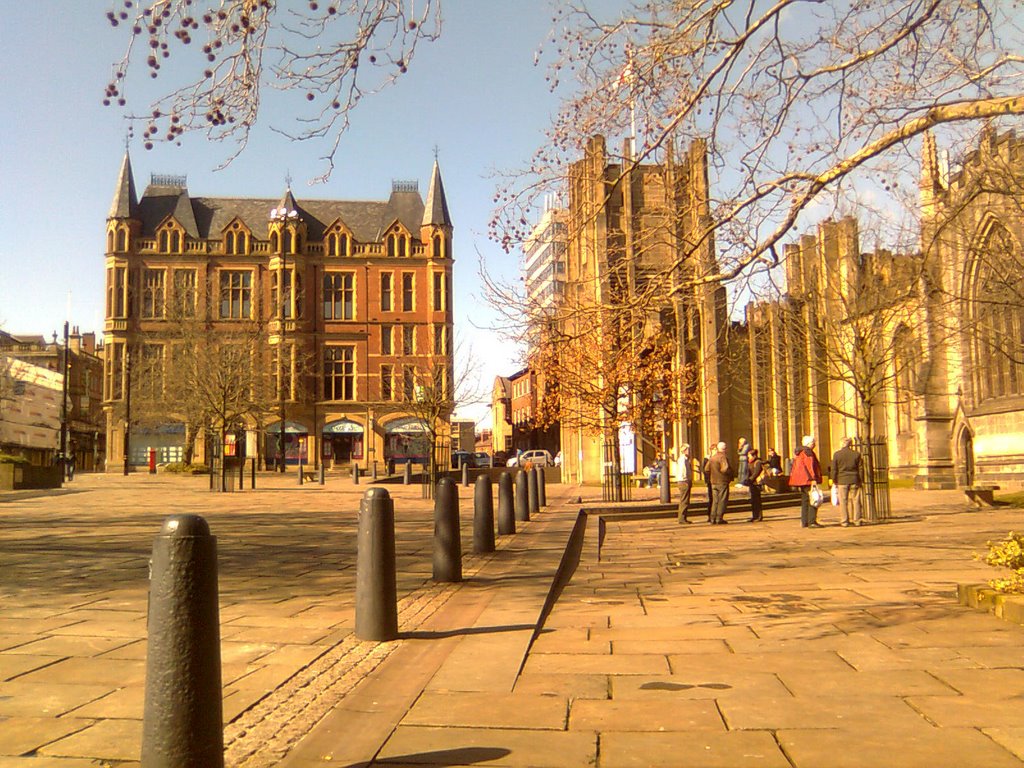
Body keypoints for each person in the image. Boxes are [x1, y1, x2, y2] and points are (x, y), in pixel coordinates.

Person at [789, 435, 823, 528]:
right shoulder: (808, 452)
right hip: (808, 480)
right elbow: (810, 466)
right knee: (813, 499)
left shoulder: (800, 452)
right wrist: (813, 479)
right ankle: (812, 521)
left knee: (805, 500)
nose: (814, 444)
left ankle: (804, 521)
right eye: (813, 442)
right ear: (809, 443)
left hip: (801, 480)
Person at [831, 437, 865, 526]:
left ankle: (844, 521)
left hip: (842, 480)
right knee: (856, 500)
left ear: (842, 443)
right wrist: (861, 480)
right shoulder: (856, 454)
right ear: (850, 444)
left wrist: (834, 479)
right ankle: (857, 520)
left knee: (843, 501)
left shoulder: (837, 455)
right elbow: (860, 469)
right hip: (854, 479)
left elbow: (834, 469)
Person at [708, 441, 735, 524]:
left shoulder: (712, 457)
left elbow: (706, 469)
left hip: (713, 481)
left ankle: (712, 518)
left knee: (715, 501)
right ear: (724, 449)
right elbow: (725, 468)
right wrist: (728, 474)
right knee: (722, 500)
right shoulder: (722, 457)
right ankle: (719, 518)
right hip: (722, 481)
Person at [676, 443, 693, 524]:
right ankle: (682, 518)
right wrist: (686, 480)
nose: (689, 451)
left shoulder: (686, 459)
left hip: (685, 481)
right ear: (684, 450)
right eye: (688, 449)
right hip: (684, 482)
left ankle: (683, 517)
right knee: (684, 500)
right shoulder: (682, 460)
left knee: (685, 500)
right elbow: (683, 471)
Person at [747, 448, 764, 522]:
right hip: (752, 483)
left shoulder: (758, 462)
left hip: (756, 483)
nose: (748, 457)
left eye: (749, 456)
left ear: (754, 456)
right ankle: (754, 516)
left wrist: (750, 479)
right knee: (753, 500)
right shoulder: (750, 462)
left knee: (757, 500)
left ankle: (759, 516)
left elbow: (756, 473)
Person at [701, 451, 714, 522]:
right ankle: (710, 515)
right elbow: (705, 470)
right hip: (710, 481)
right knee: (711, 499)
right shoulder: (707, 459)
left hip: (716, 481)